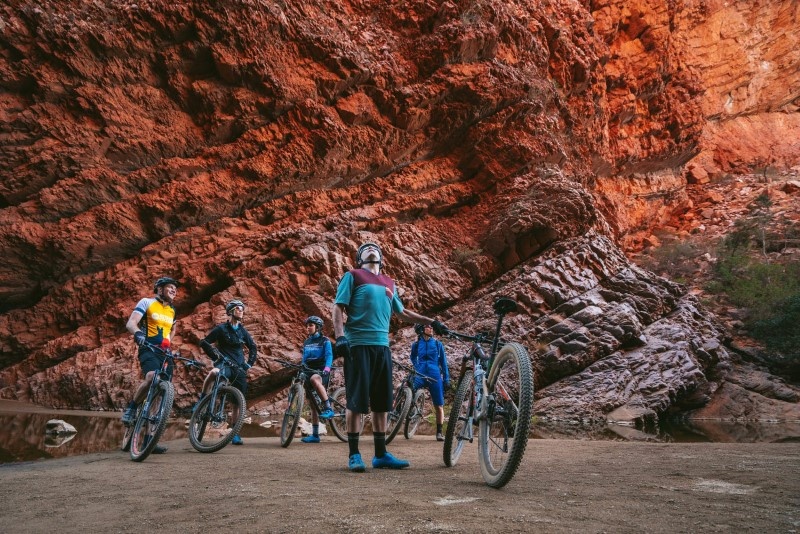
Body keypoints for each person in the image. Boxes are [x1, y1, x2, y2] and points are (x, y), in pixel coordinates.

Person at [332, 241, 448, 472]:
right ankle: (354, 454)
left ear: (381, 258)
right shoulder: (353, 276)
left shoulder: (389, 282)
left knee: (382, 402)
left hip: (382, 347)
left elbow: (402, 313)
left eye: (375, 247)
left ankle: (380, 454)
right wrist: (340, 337)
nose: (371, 248)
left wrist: (430, 321)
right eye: (365, 248)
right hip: (358, 345)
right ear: (360, 258)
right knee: (356, 400)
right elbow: (337, 307)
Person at [121, 277, 180, 454]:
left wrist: (170, 346)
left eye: (175, 289)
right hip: (148, 347)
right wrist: (138, 334)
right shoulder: (147, 302)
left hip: (165, 353)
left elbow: (171, 331)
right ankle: (132, 408)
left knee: (161, 395)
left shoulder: (172, 311)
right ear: (160, 289)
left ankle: (149, 440)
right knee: (151, 377)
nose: (174, 291)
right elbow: (131, 323)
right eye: (170, 288)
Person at [197, 299, 258, 446]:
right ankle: (202, 399)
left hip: (239, 368)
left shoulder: (243, 331)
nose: (241, 311)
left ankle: (234, 434)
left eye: (242, 309)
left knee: (238, 403)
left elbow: (253, 348)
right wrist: (214, 356)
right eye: (238, 308)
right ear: (230, 311)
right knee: (215, 373)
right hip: (224, 363)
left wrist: (248, 364)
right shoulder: (221, 329)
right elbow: (204, 342)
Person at [411, 323, 450, 441]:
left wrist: (446, 379)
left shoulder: (438, 344)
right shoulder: (417, 344)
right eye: (429, 327)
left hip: (435, 375)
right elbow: (413, 357)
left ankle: (439, 432)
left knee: (439, 405)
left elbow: (443, 363)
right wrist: (417, 367)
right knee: (408, 386)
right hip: (421, 373)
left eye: (432, 327)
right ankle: (407, 408)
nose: (431, 329)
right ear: (422, 329)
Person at [300, 315, 335, 443]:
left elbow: (329, 356)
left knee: (315, 380)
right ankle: (315, 435)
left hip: (320, 371)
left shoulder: (325, 341)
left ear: (318, 327)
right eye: (307, 325)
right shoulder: (307, 342)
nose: (308, 328)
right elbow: (304, 358)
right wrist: (301, 366)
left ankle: (328, 408)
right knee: (312, 403)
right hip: (308, 370)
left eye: (311, 325)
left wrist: (327, 368)